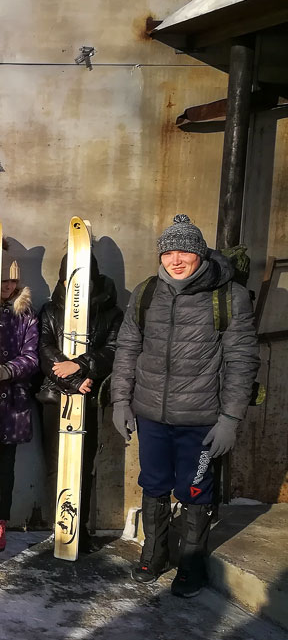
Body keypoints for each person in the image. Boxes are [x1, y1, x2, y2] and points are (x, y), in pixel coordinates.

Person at [111, 214, 258, 597]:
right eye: (168, 252)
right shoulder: (146, 293)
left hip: (201, 419)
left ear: (200, 254)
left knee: (194, 489)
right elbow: (127, 348)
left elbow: (241, 360)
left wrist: (230, 418)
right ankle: (154, 554)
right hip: (151, 414)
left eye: (184, 252)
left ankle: (192, 564)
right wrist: (120, 400)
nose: (175, 260)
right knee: (154, 483)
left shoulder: (229, 297)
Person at [37, 250, 123, 553]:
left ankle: (79, 528)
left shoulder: (111, 312)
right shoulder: (50, 310)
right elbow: (44, 349)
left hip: (90, 397)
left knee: (83, 464)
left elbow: (114, 350)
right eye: (68, 279)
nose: (74, 286)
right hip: (55, 396)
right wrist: (72, 379)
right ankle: (58, 527)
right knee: (55, 463)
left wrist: (82, 365)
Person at [0, 244, 39, 552]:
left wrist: (9, 370)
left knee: (4, 466)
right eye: (1, 280)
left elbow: (32, 356)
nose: (7, 286)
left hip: (11, 400)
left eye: (12, 280)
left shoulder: (25, 314)